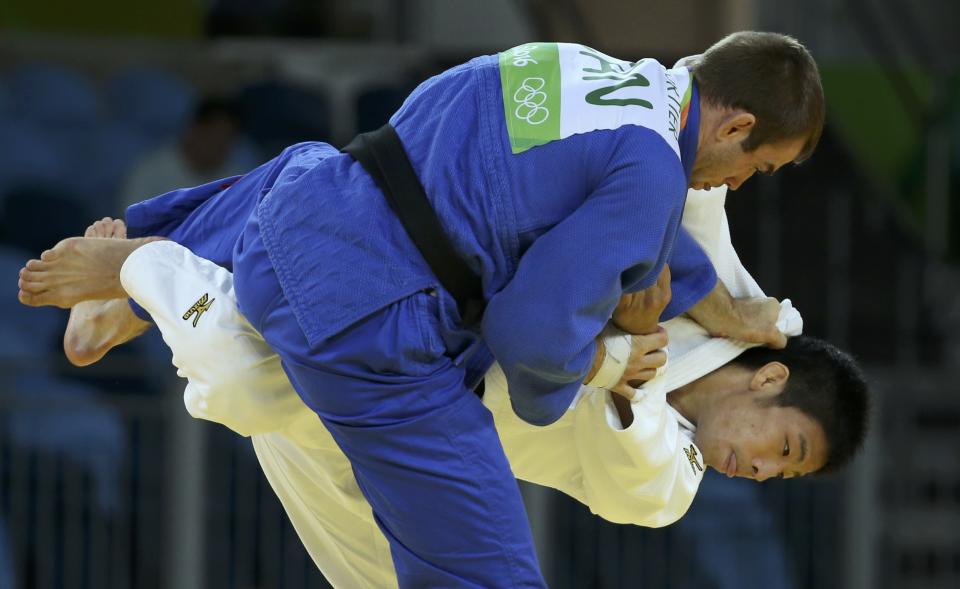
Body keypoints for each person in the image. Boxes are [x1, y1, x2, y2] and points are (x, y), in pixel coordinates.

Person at [19, 31, 825, 587]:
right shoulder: (653, 174)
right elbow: (529, 337)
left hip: (317, 199)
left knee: (321, 185)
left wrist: (718, 310)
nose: (736, 186)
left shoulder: (581, 70)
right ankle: (147, 266)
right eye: (760, 166)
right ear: (738, 123)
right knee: (257, 394)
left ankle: (164, 248)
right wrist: (607, 361)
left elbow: (620, 226)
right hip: (374, 325)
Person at [118, 97, 248, 211]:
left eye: (226, 140)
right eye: (213, 137)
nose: (218, 147)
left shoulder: (235, 180)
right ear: (194, 131)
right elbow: (132, 229)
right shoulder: (150, 173)